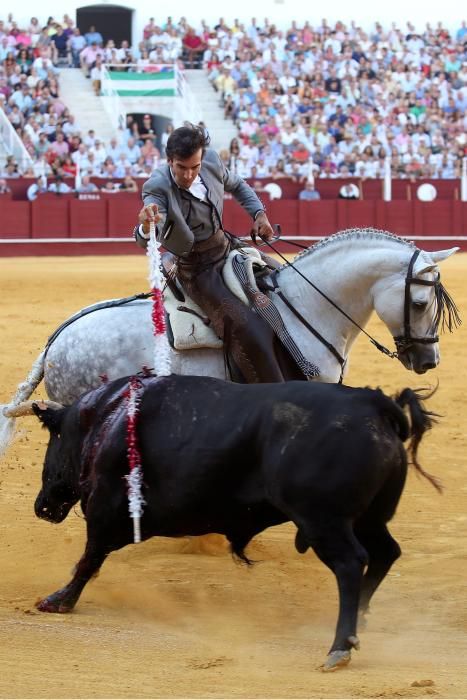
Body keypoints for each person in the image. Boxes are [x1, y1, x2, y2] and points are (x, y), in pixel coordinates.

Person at [134, 123, 301, 383]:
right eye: (181, 167)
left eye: (194, 167)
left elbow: (239, 186)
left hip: (226, 247)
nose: (189, 175)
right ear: (169, 161)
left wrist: (259, 214)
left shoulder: (211, 160)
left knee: (286, 283)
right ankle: (269, 391)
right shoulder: (157, 186)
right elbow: (151, 227)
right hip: (196, 269)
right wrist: (147, 225)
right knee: (244, 325)